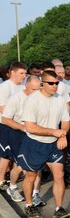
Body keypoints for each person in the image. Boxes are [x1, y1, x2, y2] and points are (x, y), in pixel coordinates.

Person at [18, 70, 70, 218]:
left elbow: (66, 122)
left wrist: (63, 134)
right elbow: (30, 127)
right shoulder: (32, 100)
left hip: (53, 144)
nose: (55, 86)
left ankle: (59, 208)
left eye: (57, 83)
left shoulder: (60, 99)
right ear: (42, 83)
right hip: (35, 143)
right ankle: (29, 205)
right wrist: (54, 132)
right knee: (31, 176)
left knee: (59, 175)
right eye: (51, 83)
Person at [2, 75, 41, 203]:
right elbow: (6, 119)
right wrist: (23, 127)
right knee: (21, 165)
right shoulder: (16, 99)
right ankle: (12, 187)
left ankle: (35, 193)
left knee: (37, 164)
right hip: (17, 133)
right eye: (33, 89)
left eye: (38, 89)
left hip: (36, 133)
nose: (36, 92)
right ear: (26, 86)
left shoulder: (42, 98)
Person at [0, 61, 27, 190]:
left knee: (15, 153)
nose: (23, 76)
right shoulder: (5, 87)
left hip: (19, 124)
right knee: (5, 153)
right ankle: (1, 179)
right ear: (12, 73)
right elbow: (2, 108)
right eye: (21, 73)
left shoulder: (22, 87)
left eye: (25, 73)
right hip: (6, 124)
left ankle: (12, 177)